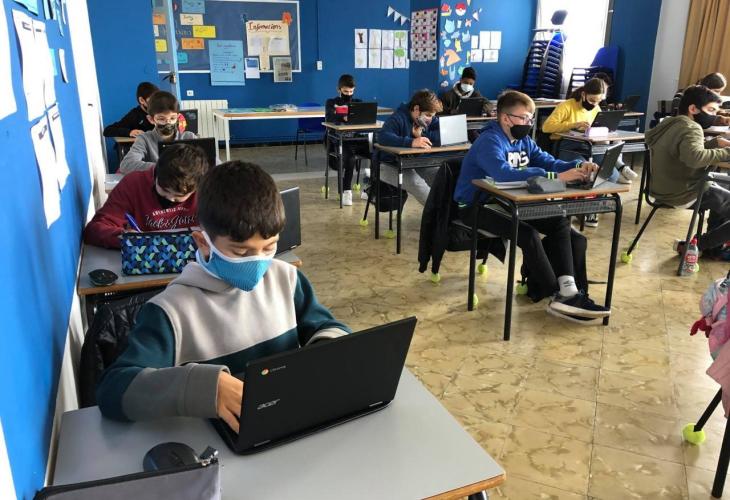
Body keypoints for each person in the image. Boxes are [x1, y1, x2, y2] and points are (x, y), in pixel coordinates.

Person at [96, 161, 350, 431]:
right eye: (241, 252)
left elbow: (327, 327)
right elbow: (113, 391)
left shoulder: (286, 279)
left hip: (284, 425)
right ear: (203, 242)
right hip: (213, 441)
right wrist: (202, 387)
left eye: (269, 247)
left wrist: (329, 353)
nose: (258, 262)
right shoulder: (171, 311)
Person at [454, 90, 610, 323]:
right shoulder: (489, 140)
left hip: (508, 202)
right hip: (477, 205)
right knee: (527, 234)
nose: (529, 123)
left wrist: (578, 166)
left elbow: (549, 162)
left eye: (531, 118)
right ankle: (557, 294)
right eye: (524, 117)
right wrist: (555, 176)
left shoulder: (524, 141)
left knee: (563, 226)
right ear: (506, 118)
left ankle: (572, 293)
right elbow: (503, 174)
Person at [645, 85, 730, 258]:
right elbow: (695, 158)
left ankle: (714, 246)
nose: (714, 115)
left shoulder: (671, 122)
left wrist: (714, 143)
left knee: (725, 183)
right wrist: (727, 152)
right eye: (711, 110)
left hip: (663, 187)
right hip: (683, 192)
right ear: (693, 109)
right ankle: (698, 245)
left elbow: (683, 152)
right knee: (723, 187)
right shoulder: (692, 128)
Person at [542, 77, 638, 227]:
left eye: (598, 101)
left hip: (589, 146)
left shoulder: (596, 109)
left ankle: (592, 207)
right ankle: (575, 208)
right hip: (568, 145)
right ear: (583, 94)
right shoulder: (567, 106)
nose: (594, 104)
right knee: (583, 174)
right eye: (592, 100)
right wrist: (574, 125)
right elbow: (546, 127)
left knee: (611, 175)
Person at [84, 144, 209, 249]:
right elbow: (94, 230)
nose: (170, 198)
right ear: (156, 174)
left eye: (178, 196)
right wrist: (125, 237)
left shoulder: (207, 190)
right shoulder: (133, 184)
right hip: (146, 258)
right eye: (164, 190)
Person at [377, 89, 442, 205]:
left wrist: (421, 136)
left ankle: (448, 211)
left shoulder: (428, 119)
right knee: (417, 183)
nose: (431, 119)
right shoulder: (398, 118)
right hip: (388, 165)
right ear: (416, 109)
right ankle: (436, 214)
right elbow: (383, 137)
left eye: (433, 116)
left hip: (415, 162)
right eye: (428, 115)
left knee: (441, 176)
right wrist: (411, 142)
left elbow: (442, 133)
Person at [119, 91, 197, 174]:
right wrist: (163, 167)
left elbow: (204, 162)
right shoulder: (144, 139)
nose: (168, 123)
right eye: (161, 119)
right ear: (151, 119)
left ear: (178, 118)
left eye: (172, 118)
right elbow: (126, 165)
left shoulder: (189, 137)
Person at [324, 74, 371, 206]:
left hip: (356, 139)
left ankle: (369, 189)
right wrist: (342, 117)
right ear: (339, 89)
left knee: (377, 153)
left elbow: (364, 118)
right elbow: (329, 117)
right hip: (339, 140)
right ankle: (346, 192)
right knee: (350, 158)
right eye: (345, 91)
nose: (348, 94)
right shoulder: (331, 102)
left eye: (351, 91)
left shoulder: (358, 103)